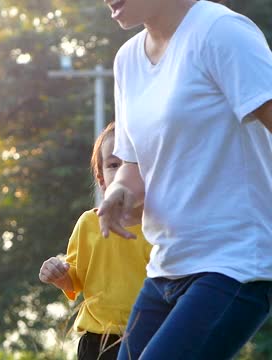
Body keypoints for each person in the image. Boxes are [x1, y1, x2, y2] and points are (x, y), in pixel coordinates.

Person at [98, 0, 272, 358]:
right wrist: (118, 192)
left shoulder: (220, 31)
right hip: (167, 266)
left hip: (237, 263)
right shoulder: (127, 60)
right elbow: (132, 167)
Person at [39, 122, 152, 360]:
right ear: (101, 179)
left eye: (135, 164)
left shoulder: (164, 228)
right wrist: (59, 275)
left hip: (152, 337)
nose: (123, 173)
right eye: (113, 165)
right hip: (97, 342)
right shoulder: (88, 224)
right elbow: (74, 282)